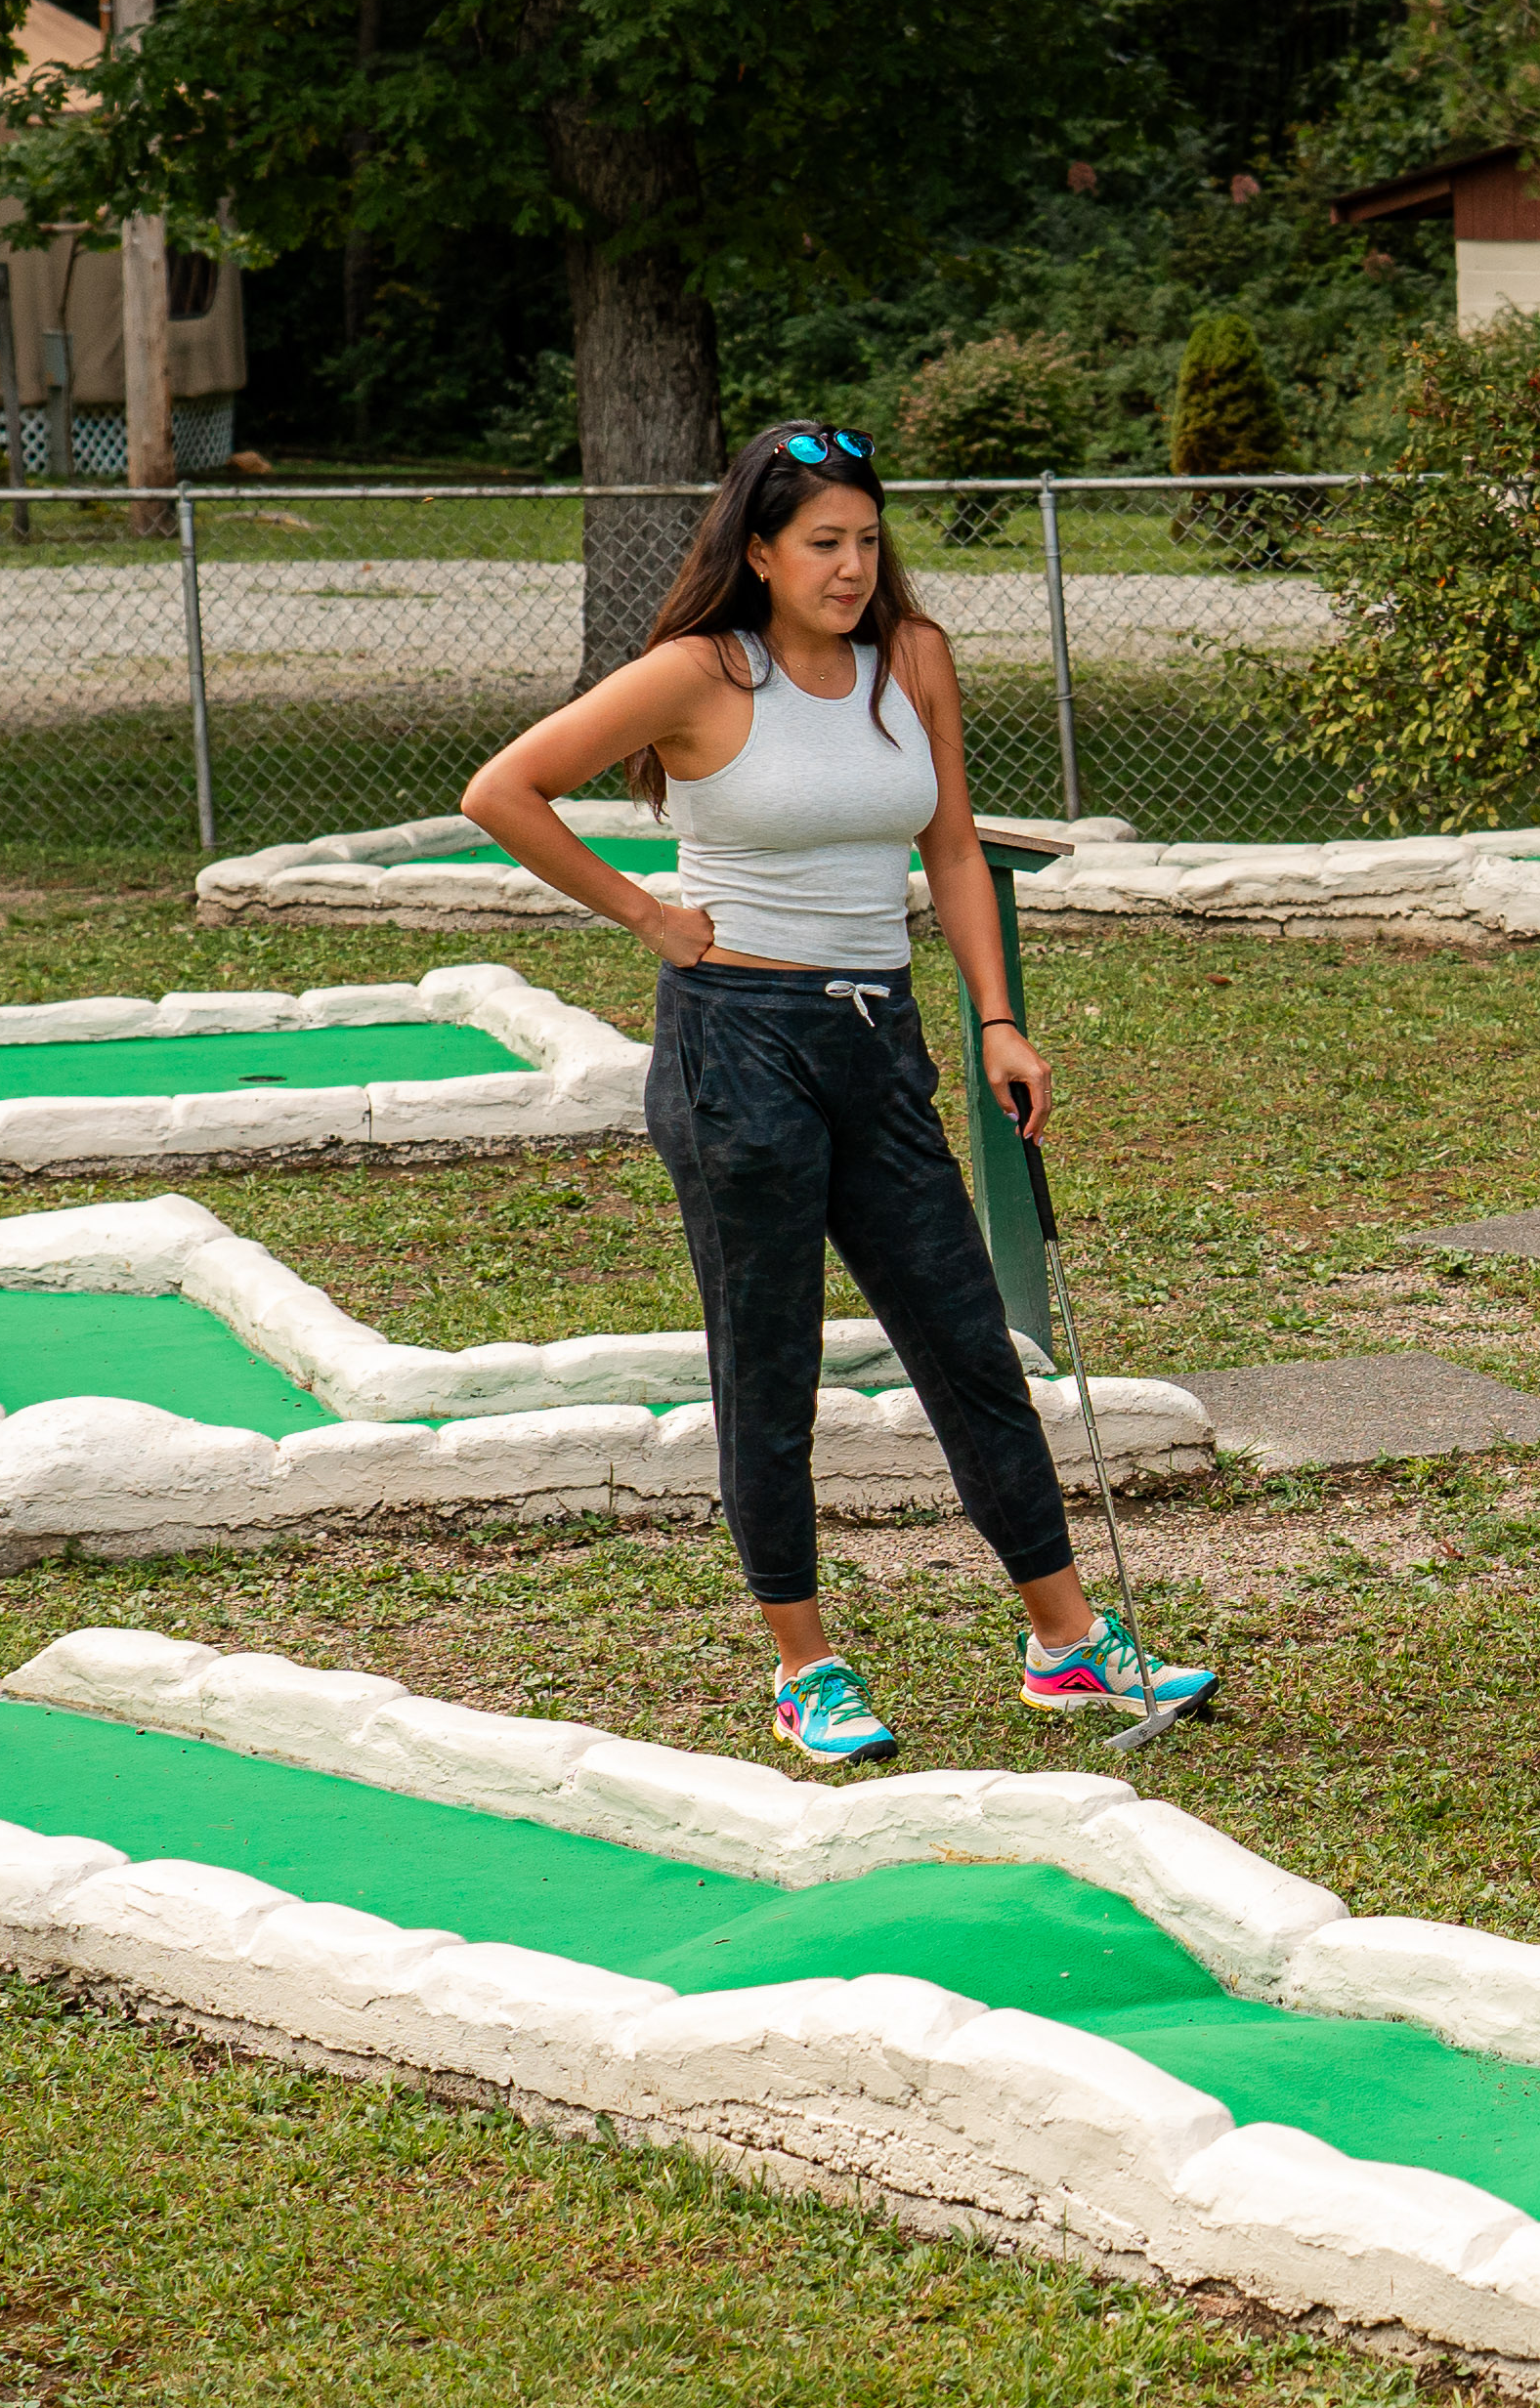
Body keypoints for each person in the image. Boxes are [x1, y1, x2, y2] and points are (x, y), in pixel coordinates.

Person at [459, 429, 1218, 1766]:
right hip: (735, 1046)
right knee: (772, 1365)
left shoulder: (910, 662)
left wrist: (997, 1019)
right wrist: (647, 913)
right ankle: (803, 1667)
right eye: (824, 543)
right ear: (758, 550)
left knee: (968, 1340)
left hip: (881, 1039)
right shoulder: (698, 674)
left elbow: (952, 848)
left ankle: (1068, 1646)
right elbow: (503, 790)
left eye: (868, 540)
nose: (853, 566)